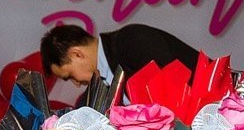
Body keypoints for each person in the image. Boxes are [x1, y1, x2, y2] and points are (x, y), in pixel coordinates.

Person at [41, 23, 199, 87]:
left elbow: (176, 86)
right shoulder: (102, 83)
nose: (76, 84)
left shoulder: (131, 40)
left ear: (76, 54)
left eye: (70, 76)